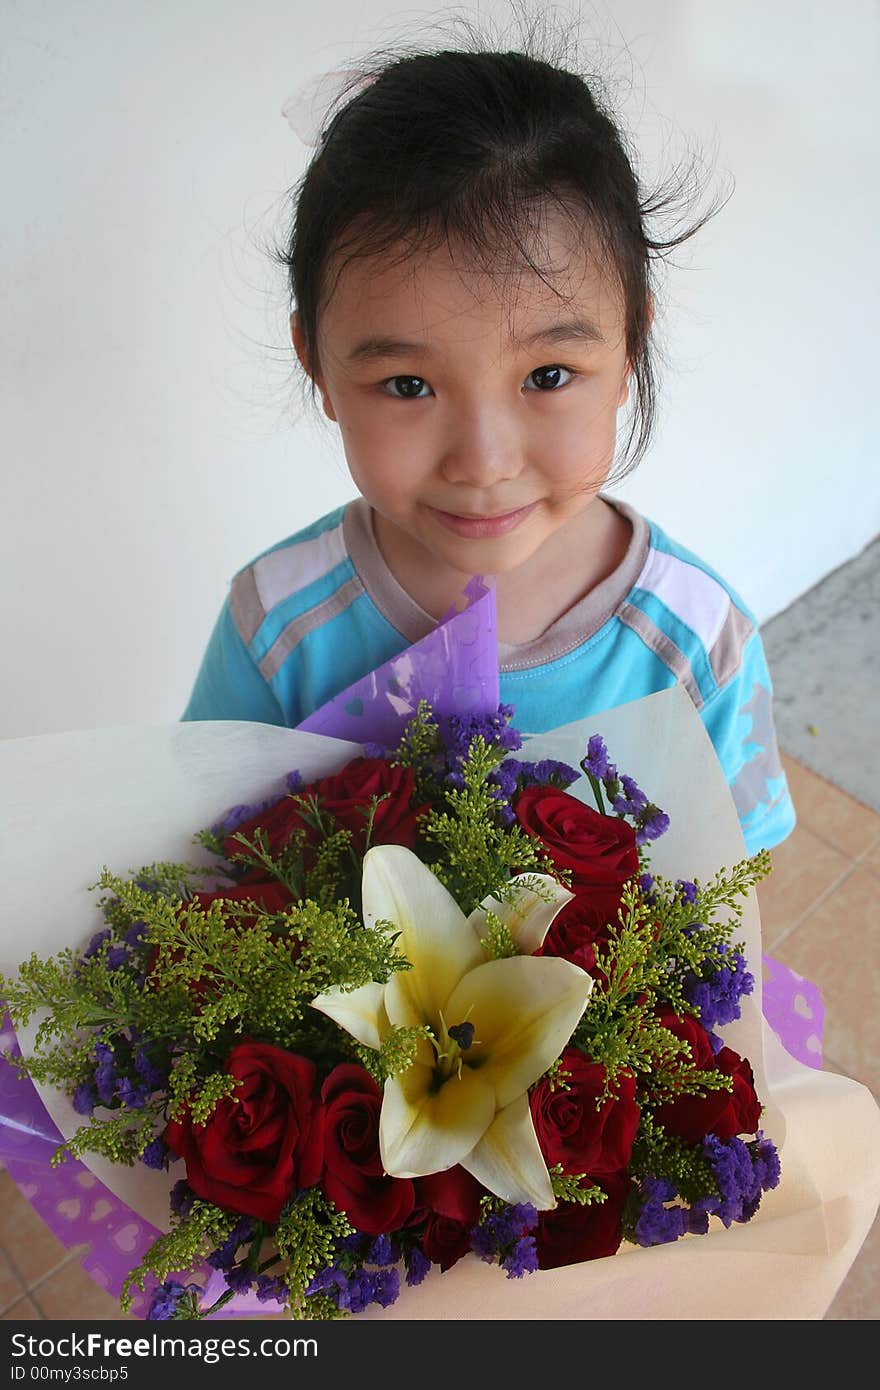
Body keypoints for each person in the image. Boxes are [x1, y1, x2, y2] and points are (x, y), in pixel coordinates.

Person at [182, 31, 795, 858]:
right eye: (408, 385)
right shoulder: (278, 628)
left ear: (630, 351)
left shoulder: (699, 644)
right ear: (316, 365)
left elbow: (731, 893)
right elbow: (199, 851)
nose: (482, 462)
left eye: (547, 374)